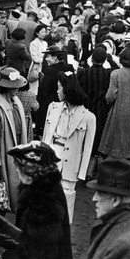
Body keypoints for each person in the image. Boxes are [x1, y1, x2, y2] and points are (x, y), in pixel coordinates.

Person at [0, 141, 75, 259]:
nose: (17, 171)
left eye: (21, 166)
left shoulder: (44, 197)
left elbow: (39, 248)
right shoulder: (38, 186)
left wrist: (2, 236)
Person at [42, 71, 96, 223]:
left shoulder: (88, 117)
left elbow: (88, 148)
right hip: (51, 160)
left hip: (71, 164)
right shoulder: (53, 108)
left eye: (59, 87)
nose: (57, 91)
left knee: (65, 203)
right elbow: (46, 136)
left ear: (67, 89)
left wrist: (82, 173)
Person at [0, 67, 28, 212]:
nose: (17, 88)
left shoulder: (16, 101)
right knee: (7, 184)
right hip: (5, 148)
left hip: (18, 146)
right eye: (14, 86)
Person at [77, 46, 115, 177]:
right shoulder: (109, 73)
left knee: (87, 137)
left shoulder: (84, 72)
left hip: (87, 109)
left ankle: (86, 169)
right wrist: (110, 59)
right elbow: (118, 69)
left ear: (92, 58)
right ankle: (98, 165)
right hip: (102, 110)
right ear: (104, 59)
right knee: (99, 136)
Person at [35, 46, 74, 136]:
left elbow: (43, 90)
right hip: (67, 106)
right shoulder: (69, 68)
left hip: (51, 107)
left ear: (55, 57)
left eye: (48, 56)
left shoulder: (50, 71)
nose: (46, 59)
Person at [28, 24, 48, 94]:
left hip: (44, 66)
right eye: (42, 32)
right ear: (37, 33)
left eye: (45, 32)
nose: (44, 34)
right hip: (36, 67)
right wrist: (44, 60)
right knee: (34, 88)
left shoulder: (45, 43)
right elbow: (35, 58)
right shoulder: (33, 43)